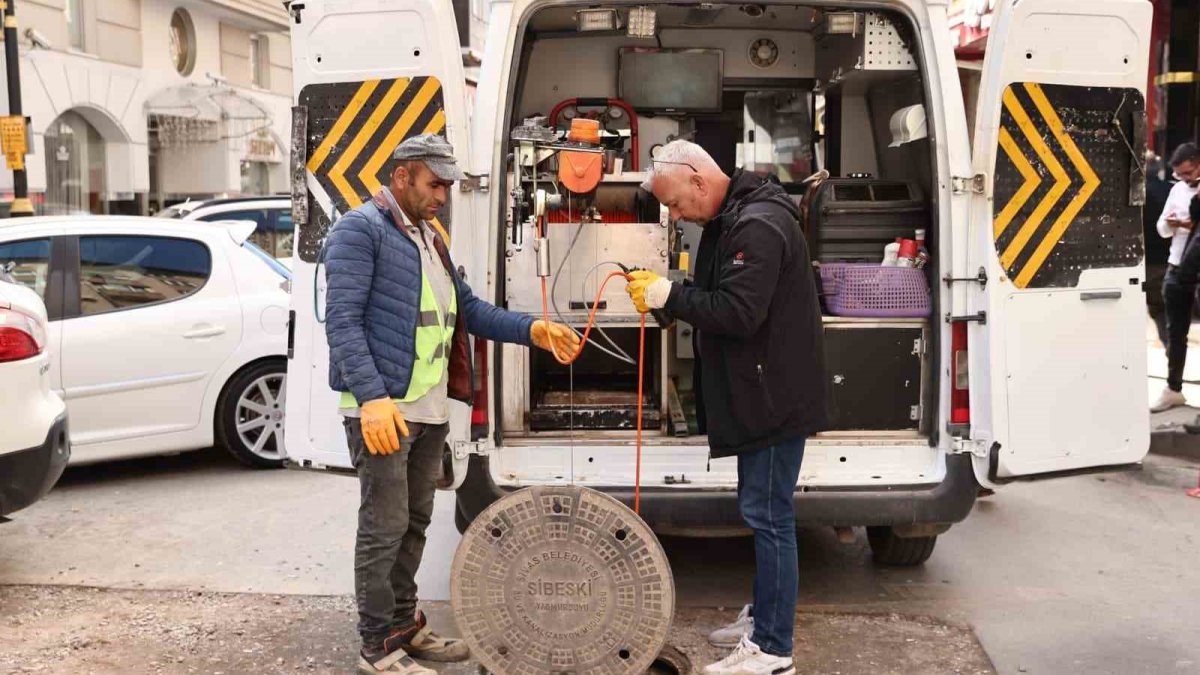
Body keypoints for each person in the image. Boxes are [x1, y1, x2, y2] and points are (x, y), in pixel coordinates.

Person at [323, 133, 578, 675]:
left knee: (414, 524)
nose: (443, 196)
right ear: (402, 176)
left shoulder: (429, 238)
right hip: (385, 410)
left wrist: (533, 330)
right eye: (435, 184)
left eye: (447, 187)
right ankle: (377, 648)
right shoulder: (358, 231)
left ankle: (402, 626)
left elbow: (470, 312)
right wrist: (371, 399)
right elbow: (342, 322)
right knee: (383, 526)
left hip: (429, 409)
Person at [626, 140, 828, 675]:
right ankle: (763, 617)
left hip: (773, 396)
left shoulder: (756, 225)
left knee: (769, 517)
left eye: (674, 203)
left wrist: (668, 297)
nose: (674, 214)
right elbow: (715, 290)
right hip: (761, 390)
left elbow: (739, 312)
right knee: (762, 510)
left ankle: (771, 648)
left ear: (697, 180)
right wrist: (668, 298)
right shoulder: (731, 217)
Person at [1152, 142, 1200, 413]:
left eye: (1189, 172)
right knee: (1175, 330)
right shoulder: (1177, 190)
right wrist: (1171, 223)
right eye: (1181, 175)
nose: (1186, 178)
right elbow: (1161, 229)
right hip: (1177, 264)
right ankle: (1173, 388)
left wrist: (1189, 223)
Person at [1144, 153, 1171, 347]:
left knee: (1157, 307)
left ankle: (1170, 344)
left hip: (1149, 259)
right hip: (1174, 258)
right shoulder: (1172, 190)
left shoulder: (1139, 193)